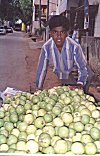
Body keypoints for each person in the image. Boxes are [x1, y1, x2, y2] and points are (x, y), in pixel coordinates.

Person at [36, 15, 89, 92]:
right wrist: (38, 88)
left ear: (67, 33)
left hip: (82, 74)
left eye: (62, 32)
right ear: (50, 33)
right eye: (55, 32)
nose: (59, 36)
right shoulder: (46, 48)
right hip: (65, 75)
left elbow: (83, 68)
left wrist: (80, 85)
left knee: (82, 94)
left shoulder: (75, 46)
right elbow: (41, 70)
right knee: (66, 92)